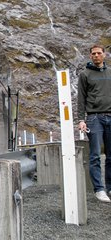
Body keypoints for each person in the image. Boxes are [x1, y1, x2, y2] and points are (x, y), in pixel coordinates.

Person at [78, 44, 111, 202]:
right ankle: (99, 189)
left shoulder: (110, 72)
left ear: (104, 55)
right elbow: (81, 98)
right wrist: (81, 119)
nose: (96, 55)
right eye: (93, 54)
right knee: (95, 155)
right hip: (94, 118)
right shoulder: (85, 74)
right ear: (90, 56)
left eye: (99, 53)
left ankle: (110, 188)